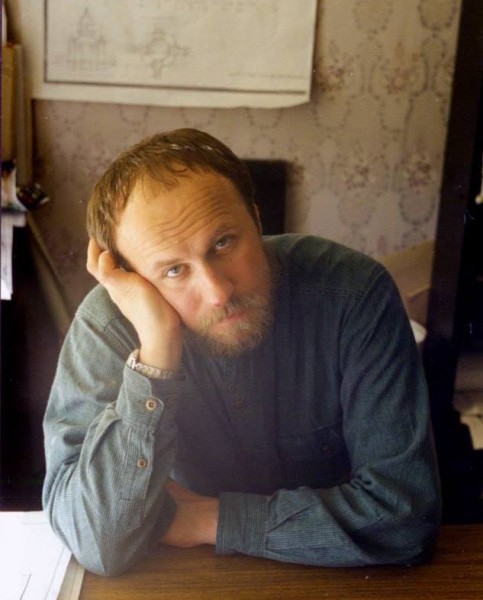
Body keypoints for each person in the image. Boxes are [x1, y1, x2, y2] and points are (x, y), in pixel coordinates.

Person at [42, 128, 441, 576]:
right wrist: (156, 354)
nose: (217, 292)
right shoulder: (108, 325)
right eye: (173, 271)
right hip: (190, 582)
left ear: (256, 218)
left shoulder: (352, 293)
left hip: (340, 580)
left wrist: (209, 520)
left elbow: (404, 517)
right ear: (134, 279)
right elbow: (95, 541)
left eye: (223, 243)